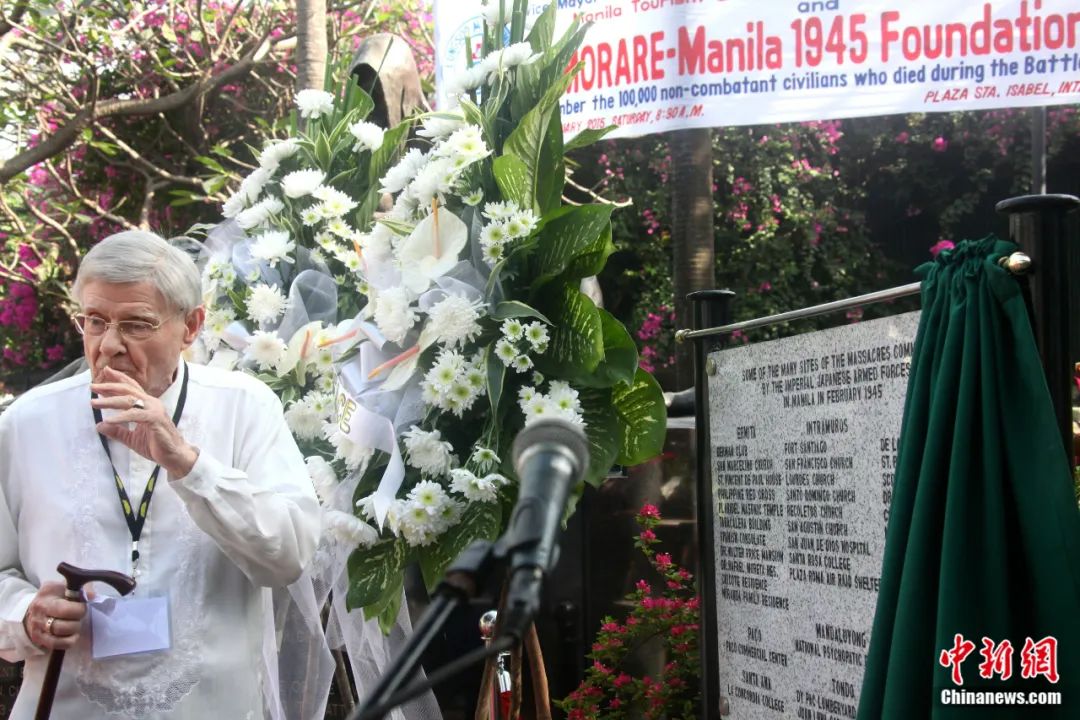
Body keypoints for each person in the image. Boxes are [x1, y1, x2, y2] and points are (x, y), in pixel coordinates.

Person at [0, 231, 324, 719]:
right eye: (95, 321)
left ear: (191, 326)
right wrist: (26, 614)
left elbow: (290, 557)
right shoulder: (27, 422)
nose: (109, 345)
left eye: (136, 324)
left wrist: (188, 464)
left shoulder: (244, 407)